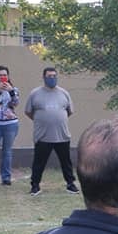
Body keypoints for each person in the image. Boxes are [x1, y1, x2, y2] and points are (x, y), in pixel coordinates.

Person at [24, 67, 79, 196]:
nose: (52, 78)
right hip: (43, 136)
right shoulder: (35, 94)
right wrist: (42, 120)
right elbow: (28, 112)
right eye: (49, 76)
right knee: (39, 162)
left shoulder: (64, 93)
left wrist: (57, 120)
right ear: (43, 77)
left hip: (62, 135)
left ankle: (70, 184)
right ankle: (35, 186)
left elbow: (70, 111)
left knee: (66, 162)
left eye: (54, 76)